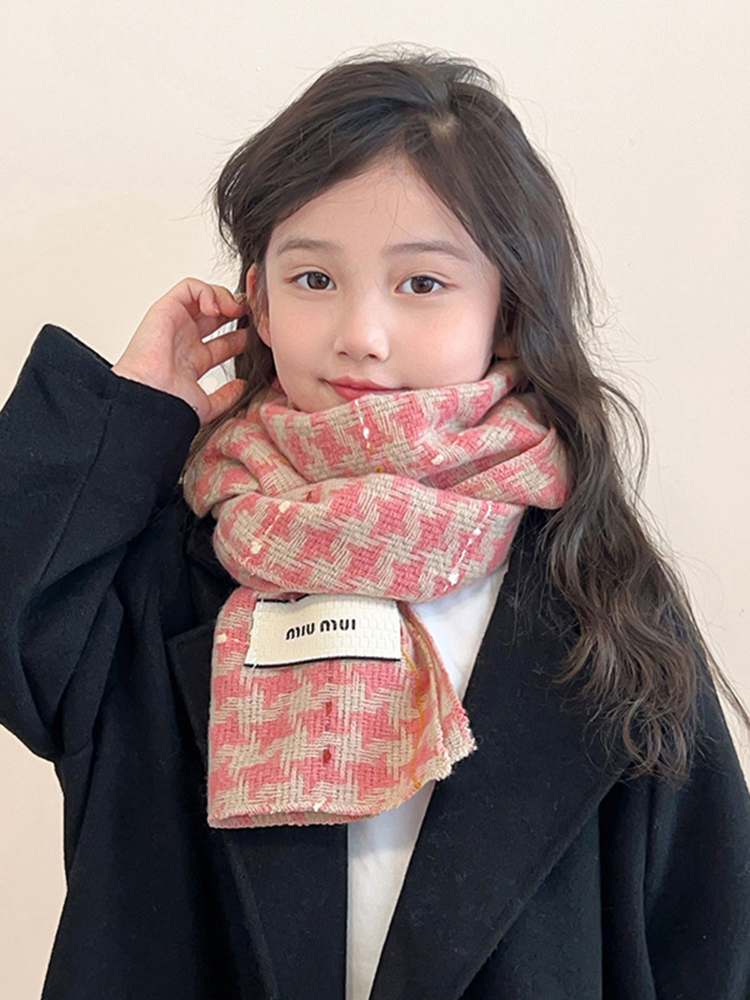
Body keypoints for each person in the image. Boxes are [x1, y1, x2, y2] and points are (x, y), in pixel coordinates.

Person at [1, 48, 749, 1000]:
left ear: (507, 311)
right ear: (257, 300)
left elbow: (708, 935)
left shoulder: (592, 585)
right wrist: (133, 411)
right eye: (313, 278)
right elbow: (20, 644)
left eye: (422, 284)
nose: (361, 333)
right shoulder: (178, 565)